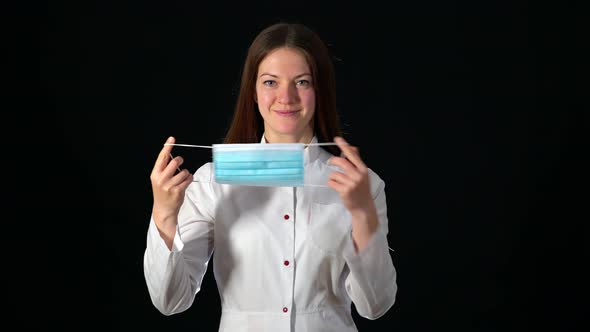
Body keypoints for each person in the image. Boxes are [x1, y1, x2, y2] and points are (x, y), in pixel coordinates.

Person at [143, 22, 397, 331]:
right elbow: (170, 301)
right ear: (253, 90)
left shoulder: (362, 185)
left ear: (320, 89)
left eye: (302, 82)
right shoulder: (213, 182)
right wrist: (165, 215)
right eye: (270, 82)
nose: (286, 97)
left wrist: (361, 215)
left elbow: (376, 306)